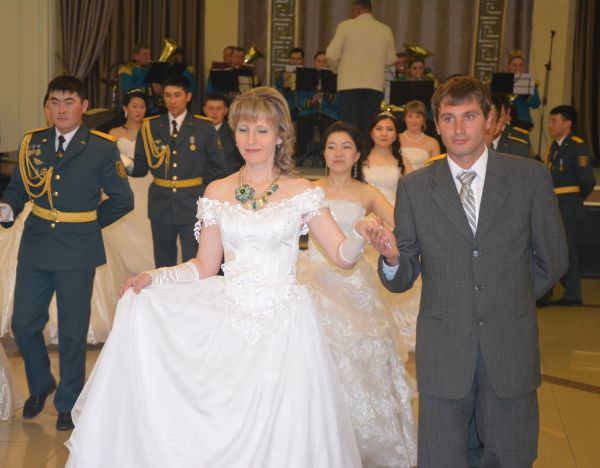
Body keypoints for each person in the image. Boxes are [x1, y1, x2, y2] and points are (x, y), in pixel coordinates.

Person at [65, 86, 381, 467]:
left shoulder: (302, 191)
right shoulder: (218, 191)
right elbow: (204, 266)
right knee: (223, 422)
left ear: (280, 135)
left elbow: (342, 256)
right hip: (230, 321)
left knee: (283, 429)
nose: (251, 139)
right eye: (243, 129)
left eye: (262, 130)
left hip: (284, 327)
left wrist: (360, 234)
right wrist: (154, 277)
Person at [370, 75, 568, 467]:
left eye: (469, 116)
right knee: (442, 457)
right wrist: (392, 258)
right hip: (445, 350)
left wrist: (507, 298)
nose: (459, 128)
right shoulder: (416, 188)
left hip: (509, 347)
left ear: (489, 119)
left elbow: (553, 258)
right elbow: (403, 273)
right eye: (448, 118)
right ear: (436, 124)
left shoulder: (529, 178)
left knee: (510, 455)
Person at [0, 76, 134, 431]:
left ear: (84, 106)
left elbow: (123, 200)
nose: (61, 109)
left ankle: (68, 401)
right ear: (47, 107)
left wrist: (88, 224)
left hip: (77, 250)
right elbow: (19, 188)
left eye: (69, 102)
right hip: (37, 244)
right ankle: (41, 382)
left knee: (73, 331)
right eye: (54, 102)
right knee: (23, 323)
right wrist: (8, 206)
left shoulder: (101, 148)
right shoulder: (33, 142)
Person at [297, 121, 417, 467]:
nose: (338, 153)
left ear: (358, 154)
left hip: (356, 285)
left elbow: (402, 227)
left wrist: (381, 237)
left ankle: (362, 440)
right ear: (323, 153)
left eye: (346, 146)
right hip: (311, 280)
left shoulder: (368, 193)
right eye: (331, 146)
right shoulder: (308, 190)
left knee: (363, 360)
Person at [130, 74, 229, 268]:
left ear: (188, 96)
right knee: (163, 262)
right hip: (160, 204)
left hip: (193, 204)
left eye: (177, 95)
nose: (172, 101)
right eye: (167, 95)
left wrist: (200, 191)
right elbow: (141, 168)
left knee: (193, 262)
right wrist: (123, 163)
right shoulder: (150, 126)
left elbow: (218, 167)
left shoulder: (203, 127)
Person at [362, 112, 420, 351]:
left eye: (389, 129)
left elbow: (413, 194)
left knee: (395, 266)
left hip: (394, 218)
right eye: (379, 128)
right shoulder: (360, 158)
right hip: (366, 219)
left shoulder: (402, 161)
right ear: (371, 132)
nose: (384, 133)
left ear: (396, 134)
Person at [543, 105, 596, 306]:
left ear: (567, 123)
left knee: (568, 250)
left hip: (569, 207)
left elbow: (587, 181)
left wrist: (574, 200)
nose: (550, 125)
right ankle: (549, 292)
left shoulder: (577, 146)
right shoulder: (554, 147)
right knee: (553, 249)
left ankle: (573, 294)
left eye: (554, 121)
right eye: (550, 121)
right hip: (554, 206)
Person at [326, 0, 396, 137]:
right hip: (374, 85)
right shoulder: (385, 29)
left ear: (357, 10)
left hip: (348, 85)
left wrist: (337, 70)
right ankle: (366, 150)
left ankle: (350, 151)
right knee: (369, 126)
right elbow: (391, 59)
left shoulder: (346, 26)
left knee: (349, 127)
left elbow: (331, 55)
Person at [106, 90, 155, 274]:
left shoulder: (150, 131)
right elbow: (109, 161)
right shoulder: (115, 132)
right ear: (126, 108)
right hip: (124, 181)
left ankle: (150, 267)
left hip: (146, 181)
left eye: (142, 106)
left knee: (147, 224)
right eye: (134, 106)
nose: (138, 110)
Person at [295, 50, 339, 165]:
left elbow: (339, 103)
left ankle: (328, 157)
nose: (322, 64)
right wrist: (311, 101)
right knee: (304, 121)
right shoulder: (306, 76)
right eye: (319, 61)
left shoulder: (335, 77)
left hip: (328, 112)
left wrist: (327, 96)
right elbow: (301, 99)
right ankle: (302, 155)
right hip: (309, 111)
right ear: (315, 63)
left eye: (325, 61)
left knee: (328, 125)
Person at [203, 92, 245, 173]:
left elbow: (241, 161)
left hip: (228, 177)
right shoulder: (196, 132)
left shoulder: (234, 133)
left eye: (219, 108)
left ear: (225, 111)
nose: (214, 112)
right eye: (211, 108)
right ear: (204, 110)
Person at [400, 100, 441, 170]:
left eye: (418, 116)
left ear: (424, 119)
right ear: (405, 118)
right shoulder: (395, 139)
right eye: (410, 116)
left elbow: (435, 171)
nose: (413, 120)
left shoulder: (433, 143)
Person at [488, 92, 531, 158]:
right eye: (487, 117)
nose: (492, 122)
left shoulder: (517, 145)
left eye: (499, 117)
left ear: (507, 115)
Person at [507, 50, 540, 131]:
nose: (518, 68)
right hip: (505, 120)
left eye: (521, 65)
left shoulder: (529, 82)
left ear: (524, 67)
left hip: (523, 121)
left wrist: (526, 94)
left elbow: (536, 104)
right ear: (509, 67)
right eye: (514, 65)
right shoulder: (503, 81)